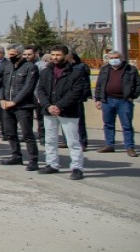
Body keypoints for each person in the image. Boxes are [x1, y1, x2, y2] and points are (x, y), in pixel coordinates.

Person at [37, 45, 87, 180]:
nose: (55, 57)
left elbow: (75, 93)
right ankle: (52, 164)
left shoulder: (75, 73)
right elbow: (40, 90)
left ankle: (77, 167)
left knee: (73, 141)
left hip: (68, 111)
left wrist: (59, 105)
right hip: (49, 111)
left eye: (58, 55)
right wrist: (48, 106)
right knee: (50, 139)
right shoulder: (46, 71)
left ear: (66, 56)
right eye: (53, 55)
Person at [94, 50, 140, 157]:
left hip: (124, 101)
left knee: (126, 125)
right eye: (111, 58)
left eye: (116, 58)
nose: (113, 60)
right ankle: (109, 145)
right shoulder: (104, 69)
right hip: (107, 100)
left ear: (121, 58)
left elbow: (139, 84)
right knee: (108, 124)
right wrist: (98, 99)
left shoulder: (131, 69)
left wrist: (132, 96)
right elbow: (99, 85)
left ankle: (129, 147)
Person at [0, 45, 40, 170]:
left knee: (27, 134)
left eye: (13, 55)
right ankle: (16, 156)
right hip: (6, 105)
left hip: (23, 106)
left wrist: (15, 101)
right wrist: (1, 99)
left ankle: (33, 159)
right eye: (8, 54)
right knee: (10, 133)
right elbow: (0, 84)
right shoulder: (6, 66)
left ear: (21, 54)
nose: (10, 57)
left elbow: (28, 87)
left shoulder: (30, 67)